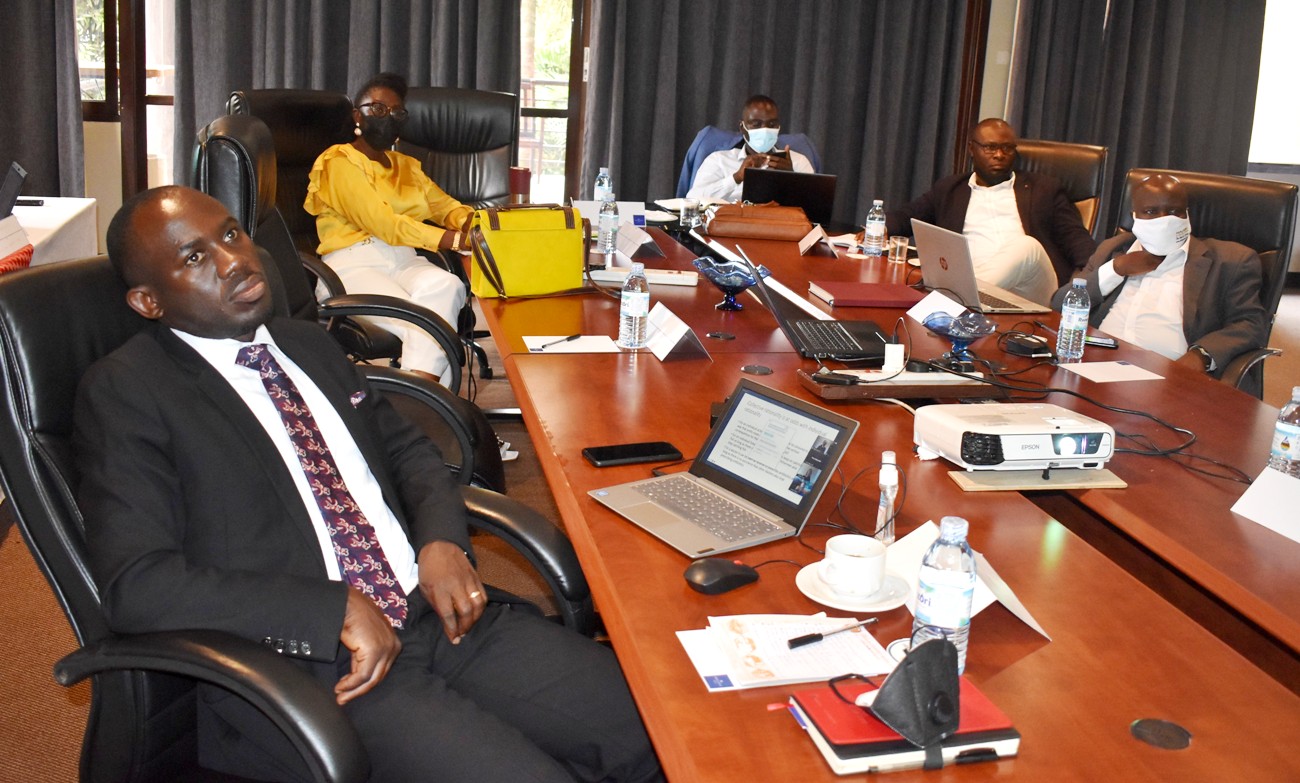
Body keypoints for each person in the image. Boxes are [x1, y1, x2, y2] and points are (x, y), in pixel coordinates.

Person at [75, 185, 662, 783]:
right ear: (148, 301)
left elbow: (407, 449)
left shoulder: (305, 343)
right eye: (195, 258)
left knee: (657, 732)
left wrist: (442, 541)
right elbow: (139, 586)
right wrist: (331, 610)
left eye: (231, 234)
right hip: (324, 672)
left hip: (439, 614)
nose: (235, 261)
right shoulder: (127, 392)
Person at [304, 72, 469, 383]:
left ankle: (428, 403)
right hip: (353, 265)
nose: (387, 118)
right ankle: (430, 402)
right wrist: (453, 239)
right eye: (378, 109)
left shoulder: (406, 166)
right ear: (358, 115)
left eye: (397, 112)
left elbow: (445, 207)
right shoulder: (337, 161)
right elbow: (382, 223)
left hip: (404, 260)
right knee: (424, 322)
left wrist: (475, 225)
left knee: (448, 286)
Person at [1050, 173, 1267, 384]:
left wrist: (1201, 355)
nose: (1164, 220)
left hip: (1168, 378)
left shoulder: (1231, 260)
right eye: (1151, 211)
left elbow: (1250, 323)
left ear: (1186, 214)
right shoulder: (1114, 249)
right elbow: (1059, 304)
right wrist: (1116, 270)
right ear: (1135, 215)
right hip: (1093, 367)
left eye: (1174, 211)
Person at [886, 118, 1097, 305]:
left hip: (1030, 289)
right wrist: (879, 228)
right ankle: (960, 297)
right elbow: (907, 217)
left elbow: (1076, 239)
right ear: (971, 148)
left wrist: (1088, 284)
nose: (999, 155)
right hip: (973, 281)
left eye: (1007, 148)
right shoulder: (950, 189)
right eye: (990, 147)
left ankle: (951, 302)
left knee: (1026, 246)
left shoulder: (1044, 189)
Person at [686, 95, 814, 202]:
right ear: (742, 127)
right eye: (756, 124)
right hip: (732, 228)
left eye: (771, 124)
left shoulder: (798, 162)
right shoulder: (719, 160)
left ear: (778, 126)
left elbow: (816, 209)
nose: (764, 129)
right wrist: (736, 178)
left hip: (782, 228)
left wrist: (792, 180)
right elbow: (693, 200)